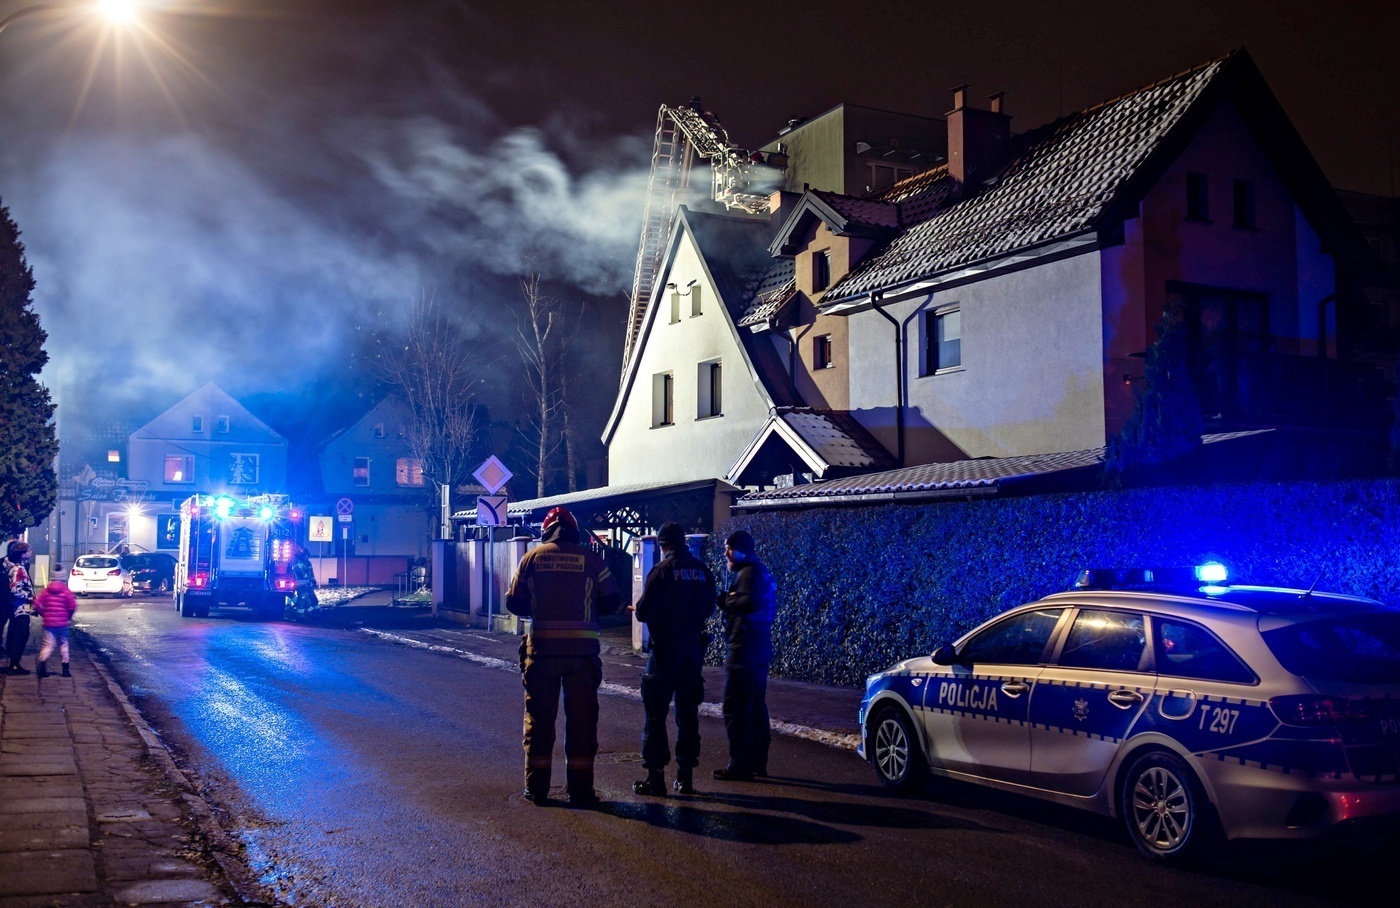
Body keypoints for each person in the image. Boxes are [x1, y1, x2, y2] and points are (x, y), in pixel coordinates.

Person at [505, 506, 620, 807]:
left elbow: (514, 603)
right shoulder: (591, 559)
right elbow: (611, 602)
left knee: (539, 721)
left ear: (545, 531)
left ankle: (537, 789)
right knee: (582, 723)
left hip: (541, 653)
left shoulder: (531, 558)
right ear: (574, 531)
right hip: (582, 655)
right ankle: (580, 791)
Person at [631, 522, 716, 797]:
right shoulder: (702, 571)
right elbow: (710, 607)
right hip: (692, 651)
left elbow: (643, 611)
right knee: (688, 714)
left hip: (665, 652)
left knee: (655, 714)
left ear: (662, 544)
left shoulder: (661, 571)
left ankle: (656, 778)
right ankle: (685, 777)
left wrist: (641, 610)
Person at [714, 530, 776, 782]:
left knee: (735, 707)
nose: (725, 553)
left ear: (741, 549)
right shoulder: (758, 571)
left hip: (744, 649)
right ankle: (757, 763)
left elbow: (748, 602)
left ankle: (740, 764)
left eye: (728, 547)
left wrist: (726, 601)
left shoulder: (749, 573)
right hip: (758, 648)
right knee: (756, 707)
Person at [34, 575, 77, 678]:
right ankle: (65, 670)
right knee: (64, 644)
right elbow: (72, 605)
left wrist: (43, 614)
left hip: (49, 624)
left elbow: (36, 603)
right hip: (62, 623)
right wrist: (68, 616)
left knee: (48, 645)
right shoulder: (66, 591)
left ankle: (42, 665)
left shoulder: (45, 591)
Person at [4, 541, 35, 675]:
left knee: (17, 634)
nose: (30, 552)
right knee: (20, 635)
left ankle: (14, 662)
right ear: (22, 554)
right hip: (20, 608)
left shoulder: (17, 567)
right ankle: (14, 665)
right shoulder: (19, 570)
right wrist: (31, 597)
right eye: (28, 551)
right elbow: (15, 590)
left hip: (19, 607)